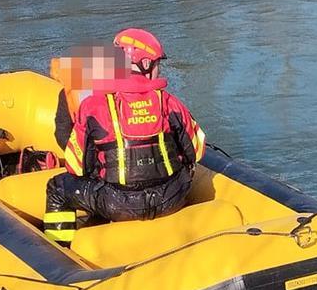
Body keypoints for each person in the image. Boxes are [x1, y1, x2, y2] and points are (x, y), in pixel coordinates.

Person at [44, 28, 207, 246]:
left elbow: (76, 165)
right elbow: (196, 151)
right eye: (158, 63)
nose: (160, 69)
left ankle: (61, 252)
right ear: (146, 65)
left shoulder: (93, 106)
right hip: (171, 198)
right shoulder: (170, 102)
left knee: (57, 189)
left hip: (117, 203)